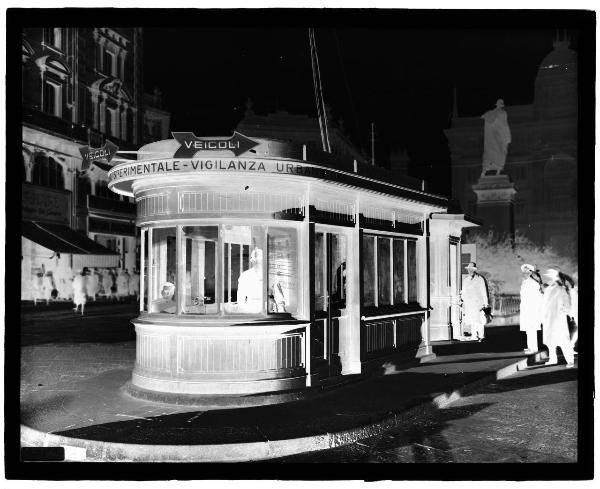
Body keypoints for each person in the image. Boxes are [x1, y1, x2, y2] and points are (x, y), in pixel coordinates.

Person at [541, 267, 575, 368]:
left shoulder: (560, 289)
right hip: (548, 318)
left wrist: (568, 312)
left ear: (554, 278)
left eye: (549, 278)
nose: (547, 280)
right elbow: (543, 305)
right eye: (547, 278)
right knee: (550, 339)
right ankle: (552, 359)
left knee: (563, 339)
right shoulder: (547, 290)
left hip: (558, 317)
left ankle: (570, 360)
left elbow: (566, 303)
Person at [481, 99, 511, 176]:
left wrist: (507, 136)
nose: (500, 105)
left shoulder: (503, 113)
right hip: (493, 135)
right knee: (490, 151)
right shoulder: (492, 112)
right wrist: (485, 116)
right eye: (499, 104)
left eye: (501, 104)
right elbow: (487, 116)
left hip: (500, 135)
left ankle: (498, 169)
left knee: (500, 151)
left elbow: (505, 124)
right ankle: (485, 169)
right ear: (497, 104)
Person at [460, 262, 489, 341]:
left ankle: (481, 335)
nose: (470, 271)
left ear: (474, 270)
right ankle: (474, 335)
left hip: (478, 303)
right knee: (472, 320)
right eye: (469, 269)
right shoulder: (465, 280)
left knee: (479, 320)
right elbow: (464, 292)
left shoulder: (480, 279)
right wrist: (463, 301)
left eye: (472, 269)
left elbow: (484, 291)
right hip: (469, 303)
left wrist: (486, 303)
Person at [519, 264, 544, 353]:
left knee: (531, 328)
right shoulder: (524, 282)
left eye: (526, 271)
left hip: (532, 308)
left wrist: (536, 309)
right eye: (524, 271)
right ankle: (530, 346)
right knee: (528, 329)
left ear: (530, 272)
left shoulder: (533, 283)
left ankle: (533, 348)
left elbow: (537, 297)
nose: (524, 273)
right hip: (526, 308)